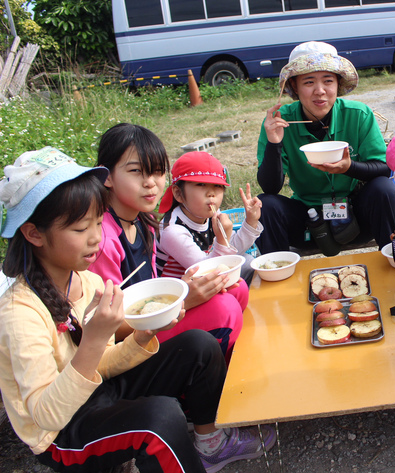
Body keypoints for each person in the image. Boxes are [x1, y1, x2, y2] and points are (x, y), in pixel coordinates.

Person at [0, 147, 275, 473]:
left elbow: (104, 365)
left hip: (100, 389)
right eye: (78, 229)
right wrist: (93, 340)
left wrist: (145, 334)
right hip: (63, 434)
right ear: (33, 233)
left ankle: (211, 443)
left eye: (97, 223)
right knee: (158, 421)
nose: (94, 239)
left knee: (198, 345)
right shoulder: (20, 314)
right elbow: (47, 416)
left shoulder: (86, 281)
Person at [89, 124, 247, 358]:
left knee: (237, 289)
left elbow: (153, 285)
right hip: (127, 345)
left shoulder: (145, 221)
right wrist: (182, 300)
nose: (150, 182)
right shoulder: (102, 239)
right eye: (136, 171)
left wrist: (181, 290)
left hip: (153, 319)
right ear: (107, 176)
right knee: (223, 307)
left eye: (157, 172)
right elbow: (108, 329)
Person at [256, 40, 395, 254]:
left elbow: (383, 167)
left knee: (384, 189)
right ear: (294, 86)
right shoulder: (280, 121)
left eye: (328, 81)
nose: (320, 91)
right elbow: (270, 187)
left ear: (338, 84)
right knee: (265, 205)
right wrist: (274, 143)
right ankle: (277, 277)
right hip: (307, 218)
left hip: (355, 214)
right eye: (308, 82)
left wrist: (349, 168)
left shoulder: (358, 114)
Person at [154, 151, 261, 354]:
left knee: (243, 266)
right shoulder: (172, 230)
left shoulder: (208, 215)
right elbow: (208, 271)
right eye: (201, 185)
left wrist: (251, 222)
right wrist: (222, 238)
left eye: (217, 187)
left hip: (201, 288)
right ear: (178, 194)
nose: (211, 194)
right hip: (181, 302)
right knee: (238, 277)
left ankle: (234, 337)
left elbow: (232, 253)